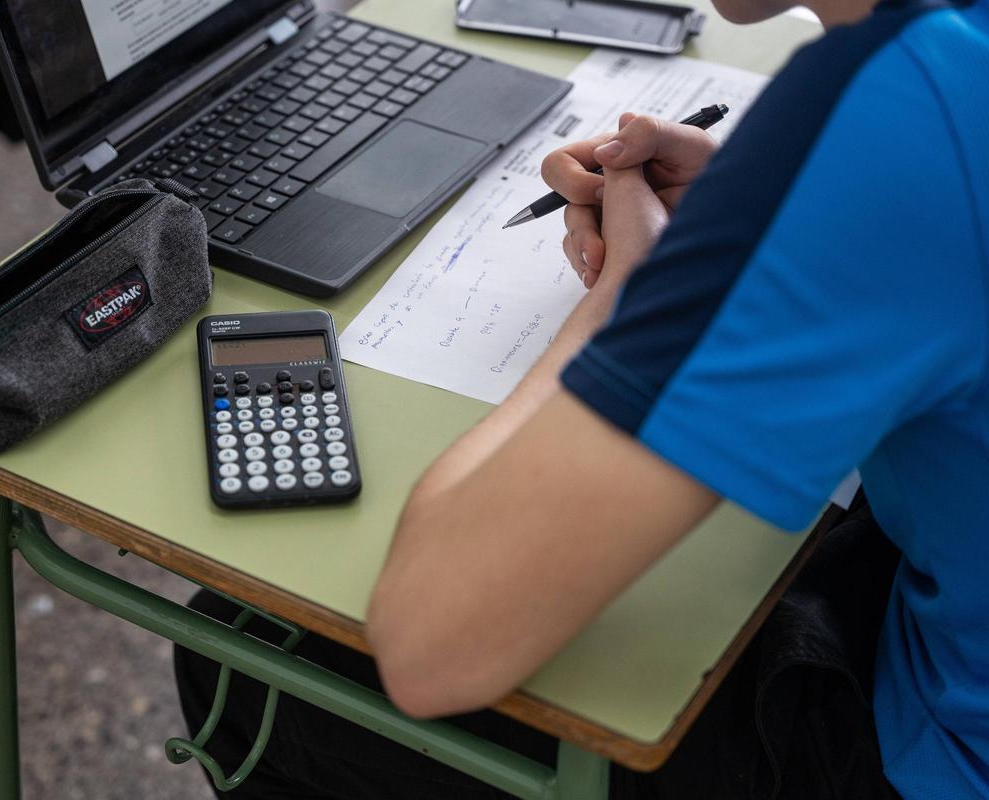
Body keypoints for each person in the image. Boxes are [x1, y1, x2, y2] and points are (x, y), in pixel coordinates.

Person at [175, 0, 989, 795]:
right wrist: (756, 209)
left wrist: (630, 290)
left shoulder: (894, 107)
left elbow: (430, 649)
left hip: (942, 745)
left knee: (238, 652)